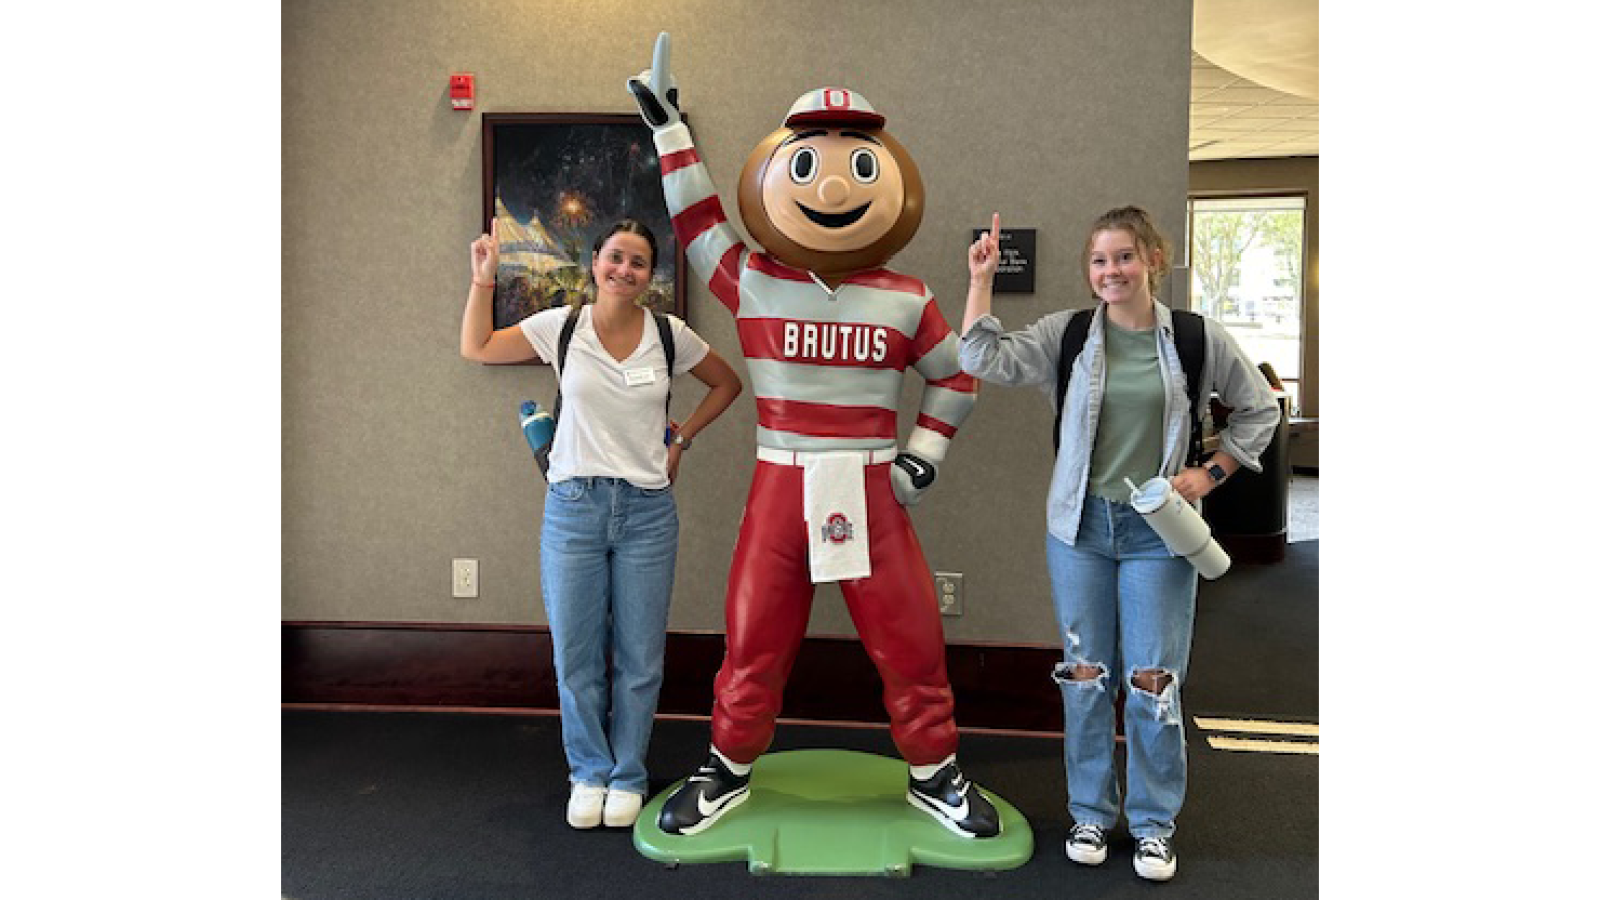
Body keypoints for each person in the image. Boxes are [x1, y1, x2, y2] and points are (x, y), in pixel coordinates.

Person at [627, 32, 1000, 840]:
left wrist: (921, 460)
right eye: (809, 164)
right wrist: (669, 130)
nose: (833, 184)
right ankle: (725, 769)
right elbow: (697, 223)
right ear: (776, 172)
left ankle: (935, 773)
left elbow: (956, 374)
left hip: (870, 483)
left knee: (908, 639)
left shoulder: (906, 295)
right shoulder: (754, 278)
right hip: (780, 483)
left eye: (860, 165)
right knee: (754, 638)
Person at [958, 207, 1279, 880]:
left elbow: (1260, 409)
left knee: (1153, 682)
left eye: (1125, 257)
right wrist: (980, 280)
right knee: (1084, 677)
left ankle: (1154, 824)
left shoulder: (1195, 338)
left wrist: (1209, 474)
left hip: (1157, 533)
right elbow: (981, 357)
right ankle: (1090, 814)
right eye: (1100, 261)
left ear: (1152, 260)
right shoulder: (1070, 335)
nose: (1112, 271)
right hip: (1080, 528)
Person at [459, 218, 743, 829]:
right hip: (573, 509)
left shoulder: (669, 335)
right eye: (616, 257)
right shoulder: (561, 327)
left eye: (639, 262)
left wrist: (681, 439)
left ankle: (629, 775)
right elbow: (477, 347)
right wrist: (483, 281)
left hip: (647, 512)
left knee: (640, 657)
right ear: (595, 262)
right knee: (576, 654)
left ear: (650, 275)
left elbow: (728, 383)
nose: (625, 270)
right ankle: (587, 771)